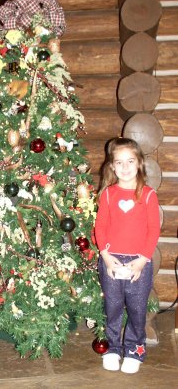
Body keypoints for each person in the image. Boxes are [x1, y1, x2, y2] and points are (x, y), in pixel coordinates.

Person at [95, 137, 160, 374]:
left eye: (130, 161)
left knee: (136, 308)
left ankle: (134, 350)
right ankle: (112, 348)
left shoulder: (149, 195)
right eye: (119, 162)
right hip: (111, 260)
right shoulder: (109, 194)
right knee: (112, 307)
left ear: (140, 163)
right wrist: (105, 255)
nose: (125, 167)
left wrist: (142, 260)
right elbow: (100, 227)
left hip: (138, 263)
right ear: (112, 166)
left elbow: (153, 229)